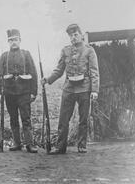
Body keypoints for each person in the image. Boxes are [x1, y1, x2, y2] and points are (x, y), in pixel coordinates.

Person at [41, 23, 99, 154]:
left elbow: (94, 71)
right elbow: (59, 70)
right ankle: (60, 147)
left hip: (84, 88)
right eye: (70, 35)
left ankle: (82, 146)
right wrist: (48, 79)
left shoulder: (89, 50)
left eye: (75, 34)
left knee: (83, 119)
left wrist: (94, 90)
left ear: (81, 35)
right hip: (69, 89)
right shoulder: (65, 50)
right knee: (63, 119)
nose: (73, 37)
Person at [0, 29, 38, 153]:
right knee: (13, 119)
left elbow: (33, 73)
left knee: (26, 119)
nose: (13, 42)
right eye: (11, 40)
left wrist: (33, 92)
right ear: (8, 42)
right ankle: (17, 143)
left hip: (24, 92)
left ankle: (30, 144)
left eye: (15, 40)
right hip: (9, 93)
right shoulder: (4, 56)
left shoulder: (26, 54)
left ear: (20, 40)